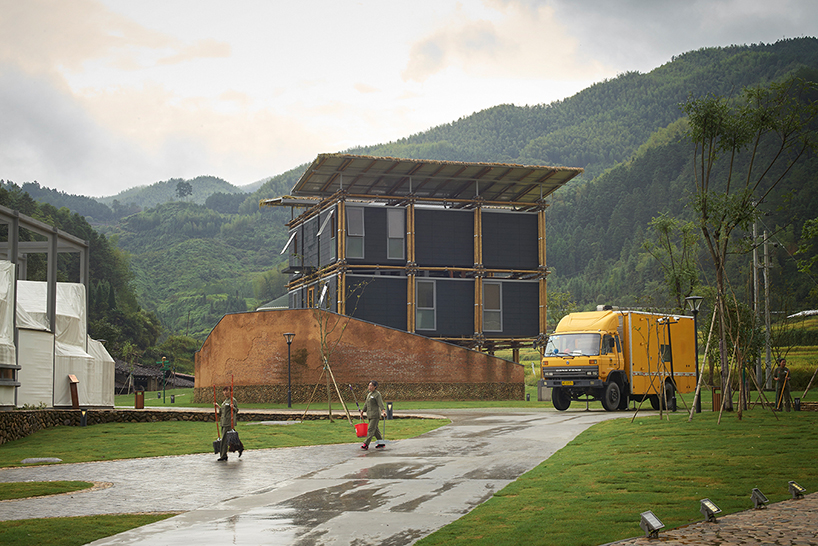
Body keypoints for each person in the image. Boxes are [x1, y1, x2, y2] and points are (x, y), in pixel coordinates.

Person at [360, 380, 386, 450]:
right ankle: (381, 443)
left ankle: (366, 444)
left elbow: (380, 403)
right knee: (375, 430)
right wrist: (363, 411)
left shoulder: (377, 394)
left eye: (371, 386)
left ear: (375, 387)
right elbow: (366, 403)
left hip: (375, 415)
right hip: (370, 414)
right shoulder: (369, 394)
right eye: (369, 385)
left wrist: (383, 411)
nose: (369, 387)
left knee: (371, 429)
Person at [215, 386, 239, 461]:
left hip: (228, 422)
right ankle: (238, 448)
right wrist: (218, 407)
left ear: (230, 392)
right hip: (223, 422)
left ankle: (223, 455)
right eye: (224, 391)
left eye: (227, 391)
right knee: (225, 439)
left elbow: (236, 410)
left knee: (224, 440)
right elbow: (222, 411)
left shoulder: (232, 400)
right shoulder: (225, 401)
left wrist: (233, 408)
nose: (225, 392)